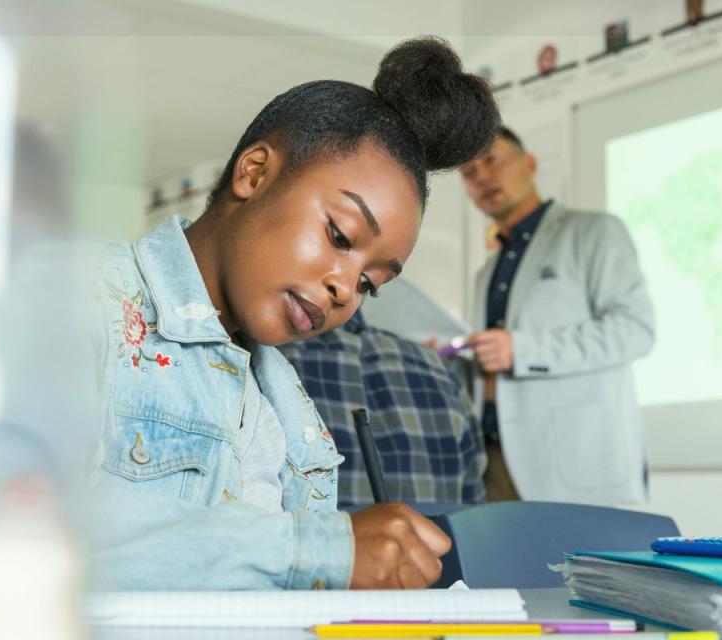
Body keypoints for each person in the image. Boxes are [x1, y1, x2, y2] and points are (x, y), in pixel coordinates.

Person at [83, 37, 500, 591]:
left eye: (370, 284)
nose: (343, 290)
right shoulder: (81, 300)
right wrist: (320, 551)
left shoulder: (287, 409)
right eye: (340, 235)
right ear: (254, 173)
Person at [459, 126, 654, 505]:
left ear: (529, 164)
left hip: (577, 464)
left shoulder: (594, 232)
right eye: (469, 173)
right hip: (495, 461)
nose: (482, 177)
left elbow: (636, 329)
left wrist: (521, 350)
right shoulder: (487, 271)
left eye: (491, 160)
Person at [278, 310, 486, 508]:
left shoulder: (269, 363)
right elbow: (473, 507)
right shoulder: (439, 370)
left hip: (319, 541)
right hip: (437, 542)